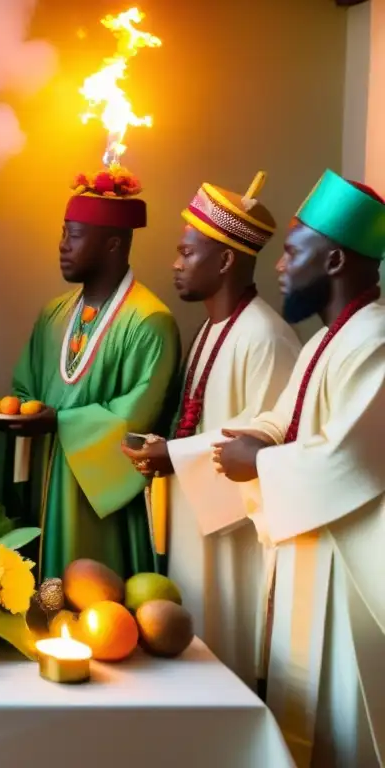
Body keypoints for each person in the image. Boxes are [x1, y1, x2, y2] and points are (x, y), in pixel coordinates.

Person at [213, 170, 385, 767]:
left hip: (348, 573)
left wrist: (259, 460)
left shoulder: (377, 341)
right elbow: (284, 420)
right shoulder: (323, 342)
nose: (279, 266)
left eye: (291, 251)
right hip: (309, 553)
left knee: (345, 718)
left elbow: (348, 460)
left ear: (334, 259)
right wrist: (252, 438)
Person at [121, 172, 300, 689]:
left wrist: (174, 455)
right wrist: (168, 451)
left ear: (225, 260)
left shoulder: (266, 337)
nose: (176, 263)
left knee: (224, 659)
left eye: (187, 252)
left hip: (234, 540)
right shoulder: (208, 329)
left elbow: (267, 445)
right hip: (194, 526)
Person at [0, 168, 181, 581]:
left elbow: (136, 420)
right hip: (41, 481)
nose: (62, 246)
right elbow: (25, 384)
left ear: (113, 243)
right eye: (63, 233)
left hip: (95, 500)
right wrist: (19, 410)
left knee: (94, 605)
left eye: (74, 236)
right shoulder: (54, 313)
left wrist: (60, 421)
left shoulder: (149, 322)